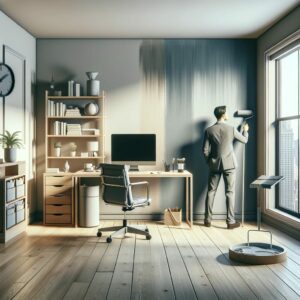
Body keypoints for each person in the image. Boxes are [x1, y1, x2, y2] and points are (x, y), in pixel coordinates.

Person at [203, 105, 249, 229]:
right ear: (223, 114)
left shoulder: (209, 130)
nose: (228, 114)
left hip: (214, 165)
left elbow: (205, 151)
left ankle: (207, 220)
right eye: (227, 113)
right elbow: (244, 140)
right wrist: (245, 130)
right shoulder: (231, 128)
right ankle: (230, 221)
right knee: (229, 193)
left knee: (211, 192)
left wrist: (210, 162)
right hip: (230, 165)